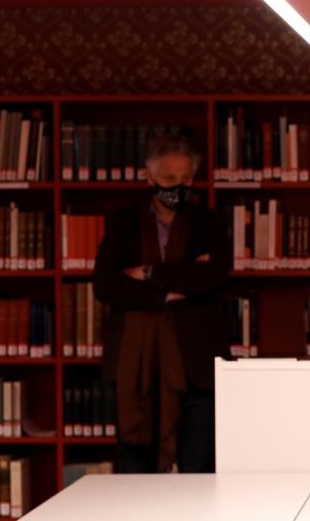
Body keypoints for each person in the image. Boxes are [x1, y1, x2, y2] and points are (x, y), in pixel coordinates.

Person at [92, 136, 230, 473]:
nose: (179, 187)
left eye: (186, 179)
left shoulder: (209, 222)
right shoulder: (122, 223)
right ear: (149, 178)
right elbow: (106, 284)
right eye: (169, 179)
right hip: (136, 366)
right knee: (136, 473)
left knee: (200, 471)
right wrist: (168, 291)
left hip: (196, 367)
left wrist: (149, 272)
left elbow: (213, 277)